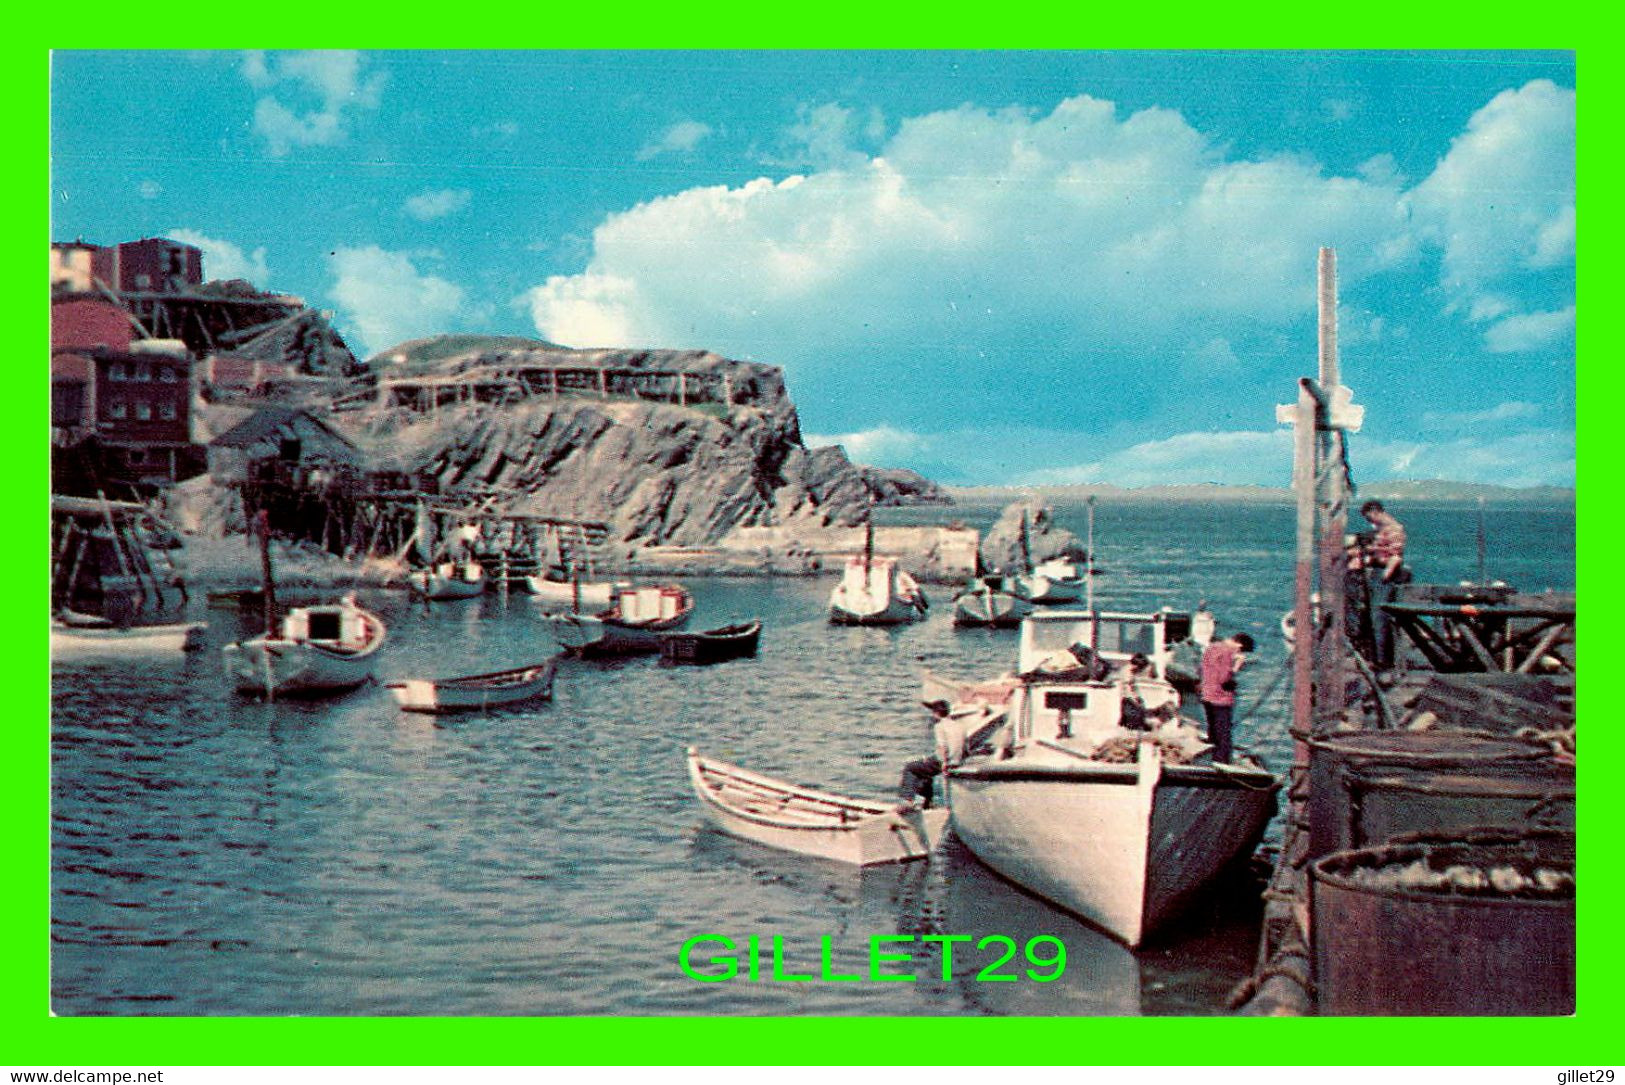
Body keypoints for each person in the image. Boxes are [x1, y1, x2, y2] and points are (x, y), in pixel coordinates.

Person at [1360, 500, 1409, 670]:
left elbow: (1395, 557)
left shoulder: (1394, 529)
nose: (1370, 522)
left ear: (1376, 513)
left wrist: (1385, 576)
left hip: (1384, 574)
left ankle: (1383, 660)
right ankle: (1378, 657)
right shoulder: (1383, 530)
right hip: (1377, 571)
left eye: (1369, 518)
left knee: (1379, 617)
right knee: (1374, 616)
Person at [1199, 632, 1255, 764]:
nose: (1238, 653)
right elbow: (1224, 679)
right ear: (1239, 644)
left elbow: (1203, 669)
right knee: (1223, 734)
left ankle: (1211, 760)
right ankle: (1222, 762)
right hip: (1220, 698)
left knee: (1213, 731)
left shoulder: (1211, 647)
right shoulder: (1227, 652)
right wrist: (1236, 667)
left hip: (1207, 694)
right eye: (1240, 650)